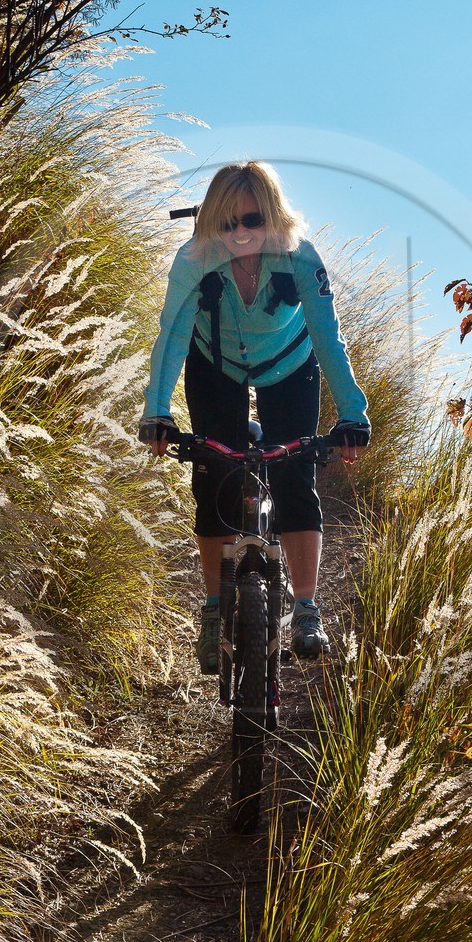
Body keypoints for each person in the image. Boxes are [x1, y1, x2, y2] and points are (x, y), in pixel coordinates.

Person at [138, 160, 371, 671]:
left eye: (253, 220)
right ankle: (214, 611)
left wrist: (353, 415)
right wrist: (156, 413)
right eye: (228, 223)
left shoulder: (301, 258)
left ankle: (307, 609)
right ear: (211, 223)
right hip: (213, 362)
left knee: (294, 476)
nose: (241, 232)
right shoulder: (193, 260)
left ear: (273, 216)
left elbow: (329, 338)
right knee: (212, 480)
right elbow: (172, 337)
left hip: (289, 365)